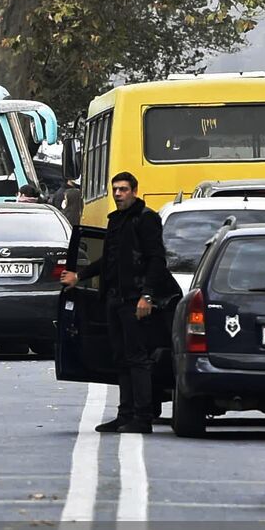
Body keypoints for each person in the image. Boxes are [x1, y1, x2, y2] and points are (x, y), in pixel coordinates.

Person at [60, 172, 180, 434]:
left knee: (137, 359)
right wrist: (79, 276)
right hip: (114, 299)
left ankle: (142, 416)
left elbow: (156, 259)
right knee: (121, 358)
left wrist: (146, 295)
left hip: (134, 299)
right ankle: (124, 415)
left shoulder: (146, 218)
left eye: (123, 190)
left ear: (134, 191)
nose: (117, 194)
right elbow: (109, 261)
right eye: (115, 189)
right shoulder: (115, 220)